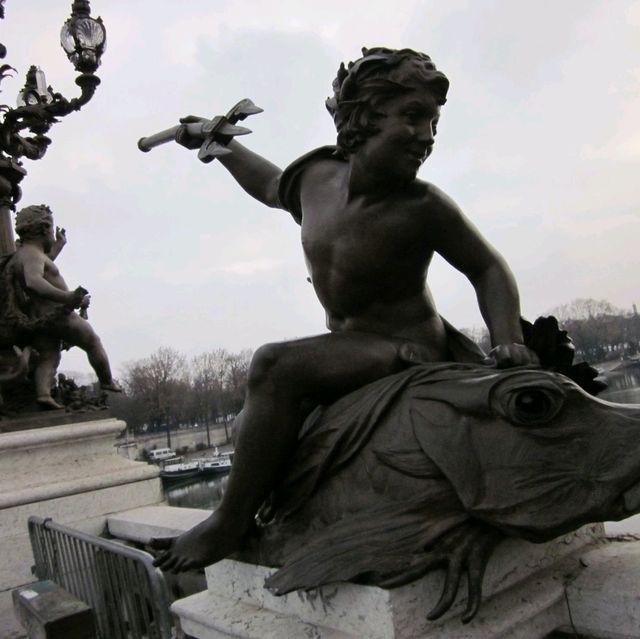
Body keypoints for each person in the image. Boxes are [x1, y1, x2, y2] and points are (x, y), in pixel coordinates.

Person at [151, 47, 538, 572]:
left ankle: (229, 521)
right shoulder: (317, 179)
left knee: (273, 364)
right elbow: (270, 186)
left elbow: (487, 268)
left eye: (433, 122)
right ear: (363, 120)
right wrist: (221, 148)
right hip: (351, 346)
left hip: (406, 350)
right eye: (413, 117)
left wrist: (507, 338)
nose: (427, 136)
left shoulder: (422, 206)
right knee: (250, 425)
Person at [6, 204, 121, 408]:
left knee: (49, 354)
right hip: (58, 315)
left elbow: (42, 264)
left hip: (39, 318)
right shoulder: (32, 255)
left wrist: (59, 246)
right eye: (52, 228)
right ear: (44, 229)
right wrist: (68, 297)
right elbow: (34, 281)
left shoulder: (26, 254)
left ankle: (43, 394)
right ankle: (106, 381)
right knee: (92, 341)